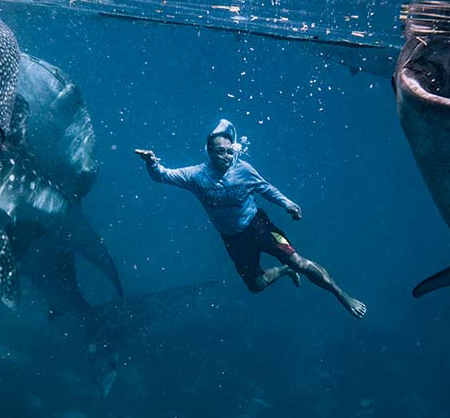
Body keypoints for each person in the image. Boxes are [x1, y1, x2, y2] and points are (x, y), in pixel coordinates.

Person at [135, 119, 366, 319]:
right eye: (219, 151)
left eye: (229, 151)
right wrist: (151, 163)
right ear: (208, 151)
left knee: (300, 262)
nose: (225, 156)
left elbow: (266, 188)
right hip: (234, 239)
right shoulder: (195, 175)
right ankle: (285, 271)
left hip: (259, 226)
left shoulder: (243, 169)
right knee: (256, 286)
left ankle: (342, 296)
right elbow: (162, 176)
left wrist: (288, 204)